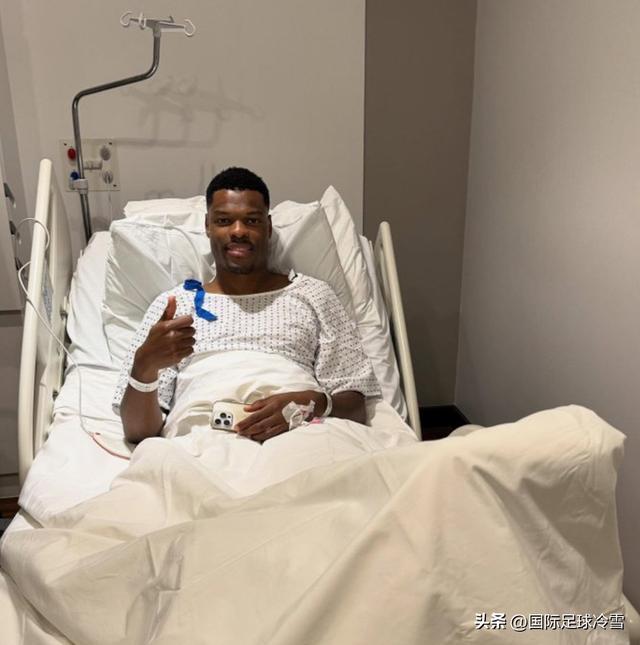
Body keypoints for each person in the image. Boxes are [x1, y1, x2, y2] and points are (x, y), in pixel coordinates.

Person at [113, 167, 380, 444]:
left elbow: (356, 406)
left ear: (268, 227)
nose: (238, 231)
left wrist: (310, 403)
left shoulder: (313, 295)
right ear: (207, 226)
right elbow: (137, 432)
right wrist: (144, 365)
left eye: (251, 221)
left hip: (302, 435)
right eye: (224, 221)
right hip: (202, 440)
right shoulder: (174, 306)